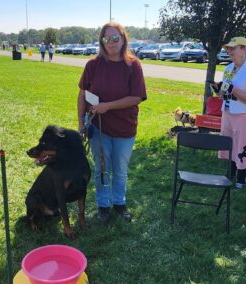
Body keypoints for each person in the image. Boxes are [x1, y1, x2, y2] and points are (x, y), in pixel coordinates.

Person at [77, 22, 147, 223]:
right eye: (107, 38)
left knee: (120, 169)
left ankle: (119, 202)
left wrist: (107, 106)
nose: (111, 42)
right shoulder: (92, 65)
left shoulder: (133, 65)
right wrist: (81, 124)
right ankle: (103, 205)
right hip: (99, 128)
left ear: (123, 39)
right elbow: (82, 95)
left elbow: (136, 97)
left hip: (125, 128)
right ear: (101, 42)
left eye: (115, 38)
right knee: (101, 168)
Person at [215, 37, 246, 189]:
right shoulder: (229, 68)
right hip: (229, 112)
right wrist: (220, 92)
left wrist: (232, 90)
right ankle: (230, 173)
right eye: (228, 49)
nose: (229, 51)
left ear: (243, 49)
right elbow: (225, 91)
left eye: (233, 48)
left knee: (243, 145)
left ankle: (241, 179)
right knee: (230, 143)